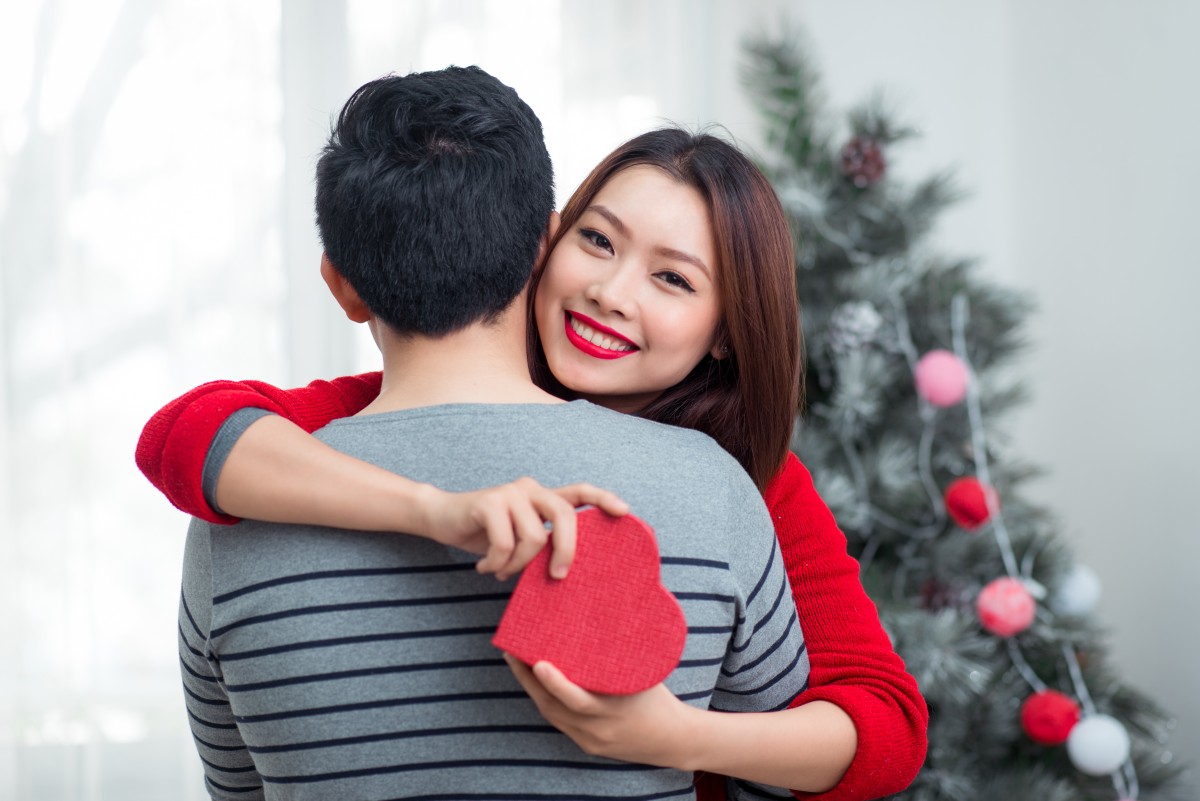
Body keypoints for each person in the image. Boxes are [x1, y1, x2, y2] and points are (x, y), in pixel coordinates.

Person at [143, 82, 929, 801]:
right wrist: (440, 509)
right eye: (598, 241)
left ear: (727, 333)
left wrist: (673, 735)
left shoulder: (745, 482)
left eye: (673, 279)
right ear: (541, 244)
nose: (609, 292)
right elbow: (193, 432)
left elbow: (887, 728)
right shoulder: (337, 432)